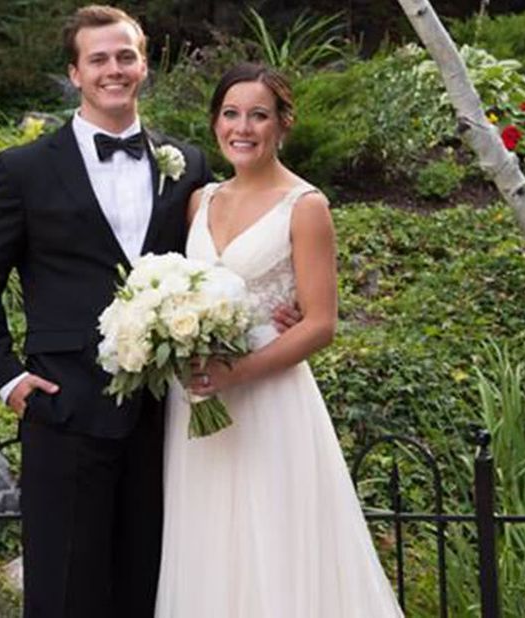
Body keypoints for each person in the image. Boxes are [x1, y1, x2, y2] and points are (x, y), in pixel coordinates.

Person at [0, 6, 215, 617]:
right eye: (98, 58)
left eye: (125, 56)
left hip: (164, 417)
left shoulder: (187, 163)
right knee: (64, 591)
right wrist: (8, 380)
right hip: (64, 408)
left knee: (149, 586)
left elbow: (217, 259)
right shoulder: (23, 170)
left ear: (143, 65)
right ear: (75, 73)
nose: (113, 69)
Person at [155, 63, 405, 617]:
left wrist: (237, 372)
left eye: (259, 115)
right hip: (195, 402)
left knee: (276, 542)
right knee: (208, 541)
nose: (242, 128)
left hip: (268, 397)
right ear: (215, 121)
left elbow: (320, 323)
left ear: (283, 124)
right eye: (230, 113)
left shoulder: (306, 205)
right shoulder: (201, 200)